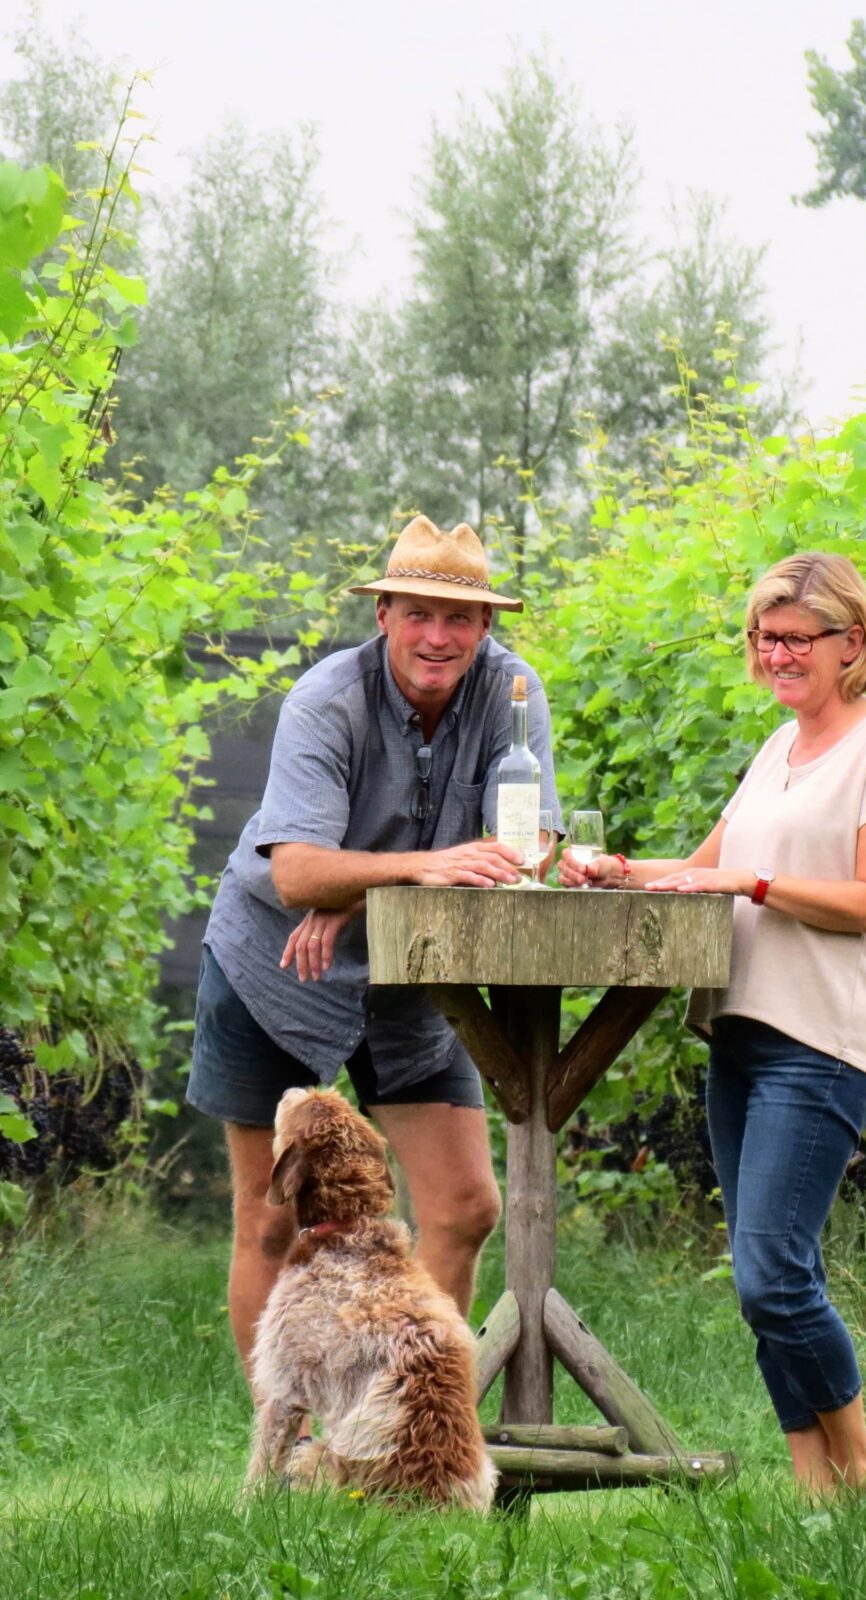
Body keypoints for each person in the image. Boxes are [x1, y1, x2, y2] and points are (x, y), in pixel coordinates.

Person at [559, 551, 866, 1494]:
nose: (775, 655)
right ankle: (817, 1487)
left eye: (795, 638)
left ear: (853, 642)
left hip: (823, 1040)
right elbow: (706, 866)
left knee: (773, 1275)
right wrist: (615, 870)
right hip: (741, 1032)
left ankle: (861, 1464)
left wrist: (751, 883)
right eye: (764, 637)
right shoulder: (780, 747)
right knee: (764, 1279)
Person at [187, 514, 562, 1390]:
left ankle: (407, 1419)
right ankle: (294, 1443)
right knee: (272, 1221)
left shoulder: (512, 695)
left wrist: (352, 891)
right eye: (419, 613)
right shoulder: (327, 699)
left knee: (466, 1207)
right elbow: (294, 879)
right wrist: (402, 873)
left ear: (486, 627)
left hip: (413, 977)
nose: (439, 636)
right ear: (384, 613)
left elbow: (530, 847)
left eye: (460, 618)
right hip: (275, 966)